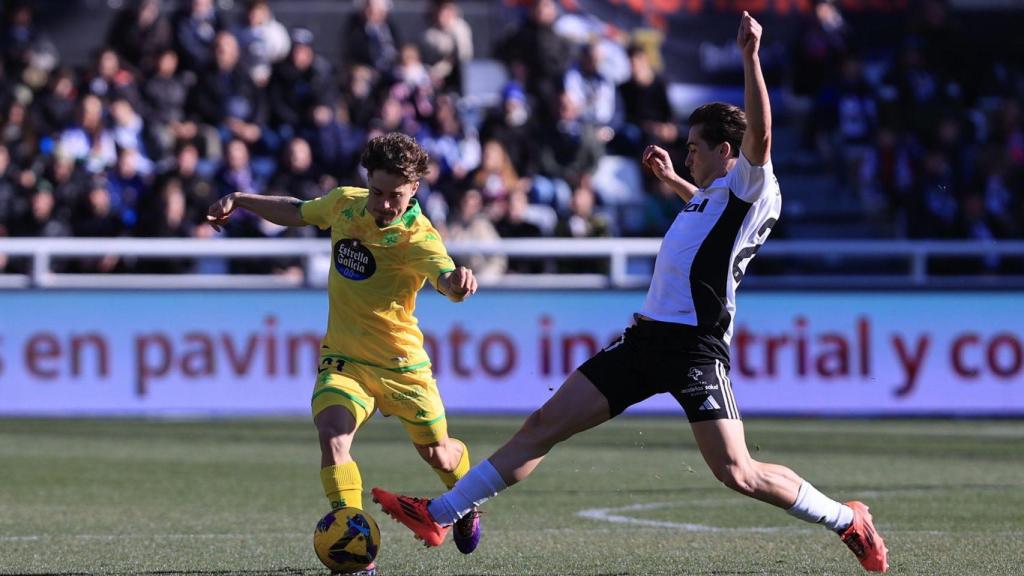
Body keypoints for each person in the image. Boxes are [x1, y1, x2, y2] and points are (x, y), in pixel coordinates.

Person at [371, 13, 889, 574]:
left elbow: (760, 139)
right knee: (543, 425)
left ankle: (847, 519)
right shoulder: (716, 197)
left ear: (726, 151)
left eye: (695, 147)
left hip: (694, 348)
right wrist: (676, 182)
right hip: (644, 342)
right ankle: (442, 512)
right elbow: (710, 218)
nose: (686, 153)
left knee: (737, 471)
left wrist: (750, 57)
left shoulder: (753, 184)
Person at [206, 133, 484, 575]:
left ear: (414, 189)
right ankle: (356, 550)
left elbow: (446, 279)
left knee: (440, 456)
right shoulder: (344, 204)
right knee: (333, 436)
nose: (384, 204)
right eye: (377, 192)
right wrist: (241, 199)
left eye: (395, 196)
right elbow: (297, 211)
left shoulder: (420, 239)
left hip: (402, 367)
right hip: (345, 359)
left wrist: (459, 284)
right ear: (366, 182)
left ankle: (465, 504)